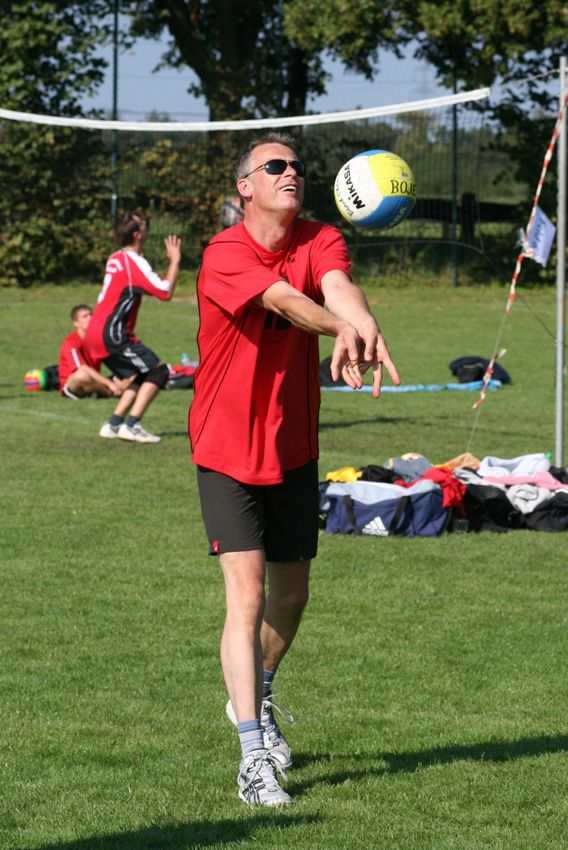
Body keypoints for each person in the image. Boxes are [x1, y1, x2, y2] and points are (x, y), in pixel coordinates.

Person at [188, 132, 400, 806]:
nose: (292, 174)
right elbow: (285, 301)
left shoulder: (319, 237)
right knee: (246, 596)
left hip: (293, 450)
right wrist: (340, 329)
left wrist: (359, 317)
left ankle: (258, 692)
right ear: (245, 186)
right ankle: (253, 756)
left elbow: (339, 284)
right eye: (274, 166)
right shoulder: (225, 252)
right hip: (225, 448)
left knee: (292, 598)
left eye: (298, 166)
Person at [86, 213, 182, 443]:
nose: (146, 224)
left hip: (95, 332)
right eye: (142, 224)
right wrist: (175, 260)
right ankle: (133, 424)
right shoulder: (135, 262)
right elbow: (164, 292)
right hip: (112, 335)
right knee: (159, 372)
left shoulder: (116, 257)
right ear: (138, 235)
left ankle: (114, 424)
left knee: (143, 372)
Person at [58, 304, 125, 400]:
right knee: (82, 375)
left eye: (91, 314)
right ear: (76, 323)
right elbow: (82, 368)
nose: (90, 318)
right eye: (85, 316)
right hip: (74, 384)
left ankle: (104, 391)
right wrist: (110, 384)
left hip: (94, 381)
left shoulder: (97, 339)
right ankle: (109, 393)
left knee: (130, 375)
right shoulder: (71, 342)